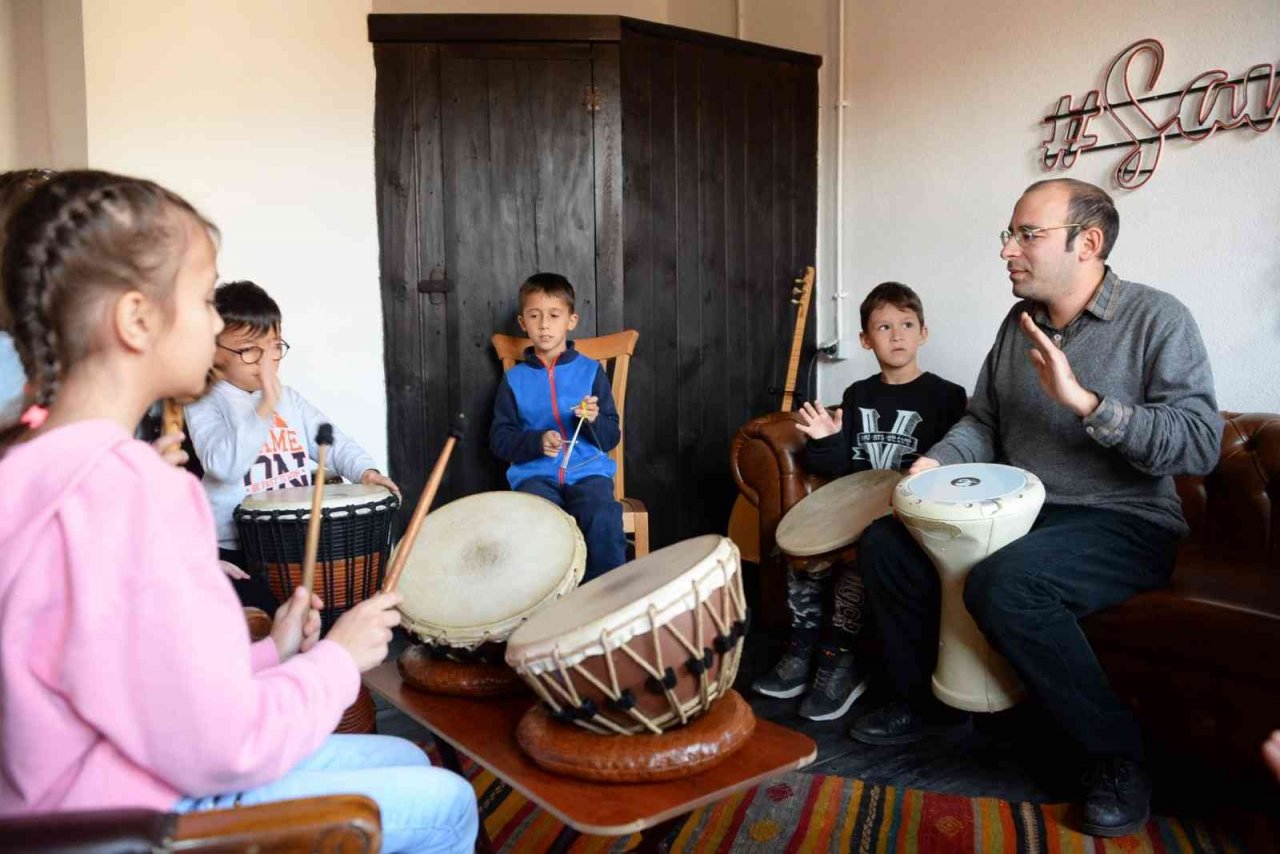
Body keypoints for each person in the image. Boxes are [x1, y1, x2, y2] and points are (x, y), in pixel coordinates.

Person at [0, 171, 477, 853]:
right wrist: (338, 660)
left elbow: (140, 685)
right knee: (447, 801)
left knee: (403, 761)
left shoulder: (23, 464)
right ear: (136, 319)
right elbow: (225, 743)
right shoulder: (142, 491)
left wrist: (272, 652)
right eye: (203, 300)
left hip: (82, 796)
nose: (218, 324)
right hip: (137, 818)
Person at [848, 178, 1222, 837]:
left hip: (1125, 522)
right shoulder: (1015, 326)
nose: (1008, 250)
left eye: (1028, 234)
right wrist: (936, 462)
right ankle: (927, 705)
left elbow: (1198, 445)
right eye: (1009, 234)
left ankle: (1117, 755)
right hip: (1021, 515)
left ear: (1089, 243)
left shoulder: (1158, 319)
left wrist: (1089, 405)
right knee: (886, 543)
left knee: (1006, 584)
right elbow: (983, 422)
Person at [751, 282, 967, 722]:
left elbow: (955, 463)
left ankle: (839, 660)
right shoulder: (857, 396)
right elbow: (838, 471)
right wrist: (827, 440)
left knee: (858, 557)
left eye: (907, 325)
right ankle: (801, 647)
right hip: (856, 503)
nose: (897, 335)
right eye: (883, 327)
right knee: (797, 547)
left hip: (904, 513)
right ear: (866, 340)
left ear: (923, 332)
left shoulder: (946, 396)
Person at [185, 280, 399, 609]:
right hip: (232, 547)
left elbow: (335, 440)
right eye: (249, 350)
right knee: (251, 607)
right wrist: (264, 406)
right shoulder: (204, 401)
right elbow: (223, 465)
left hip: (291, 540)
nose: (266, 362)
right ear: (213, 352)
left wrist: (365, 471)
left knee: (336, 594)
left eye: (273, 347)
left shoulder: (290, 400)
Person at [490, 272, 626, 581]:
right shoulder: (514, 380)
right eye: (534, 316)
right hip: (535, 476)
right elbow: (499, 440)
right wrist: (536, 442)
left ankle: (605, 598)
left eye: (554, 315)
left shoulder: (590, 372)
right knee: (538, 521)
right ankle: (549, 607)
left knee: (602, 515)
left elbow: (610, 437)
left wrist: (592, 419)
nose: (544, 325)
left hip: (588, 472)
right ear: (523, 322)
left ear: (571, 320)